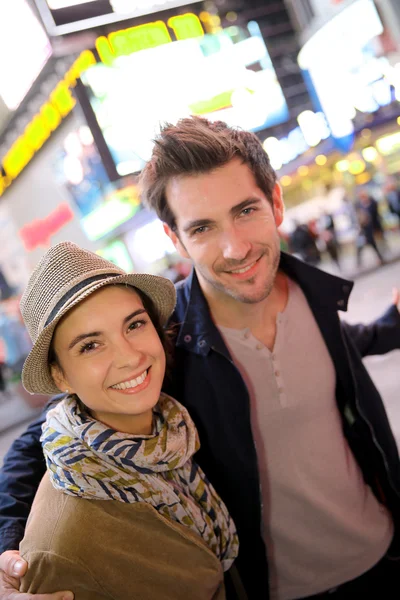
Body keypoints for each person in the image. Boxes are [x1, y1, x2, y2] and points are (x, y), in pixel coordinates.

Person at [1, 116, 400, 600]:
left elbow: (343, 345)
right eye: (203, 227)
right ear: (176, 238)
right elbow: (46, 438)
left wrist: (391, 325)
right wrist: (9, 548)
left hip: (383, 551)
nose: (235, 247)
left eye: (246, 210)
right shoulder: (164, 341)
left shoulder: (310, 294)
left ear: (275, 202)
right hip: (277, 590)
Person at [8, 241, 239, 599]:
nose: (130, 356)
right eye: (90, 345)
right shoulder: (61, 545)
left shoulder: (170, 434)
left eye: (134, 325)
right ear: (61, 378)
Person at [355, 190, 386, 267]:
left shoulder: (372, 202)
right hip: (365, 229)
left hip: (373, 227)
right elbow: (359, 217)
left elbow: (375, 214)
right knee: (363, 245)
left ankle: (380, 257)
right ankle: (359, 262)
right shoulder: (359, 205)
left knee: (375, 243)